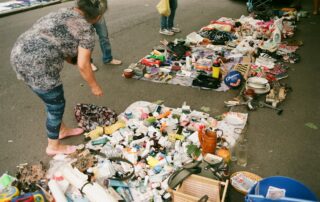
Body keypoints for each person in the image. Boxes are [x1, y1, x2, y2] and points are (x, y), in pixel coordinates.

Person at [10, 0, 107, 155]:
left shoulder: (64, 11)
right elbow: (83, 64)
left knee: (50, 100)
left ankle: (61, 131)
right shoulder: (87, 30)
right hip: (38, 65)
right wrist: (94, 86)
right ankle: (53, 146)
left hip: (19, 54)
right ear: (98, 16)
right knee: (56, 106)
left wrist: (74, 60)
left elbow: (64, 48)